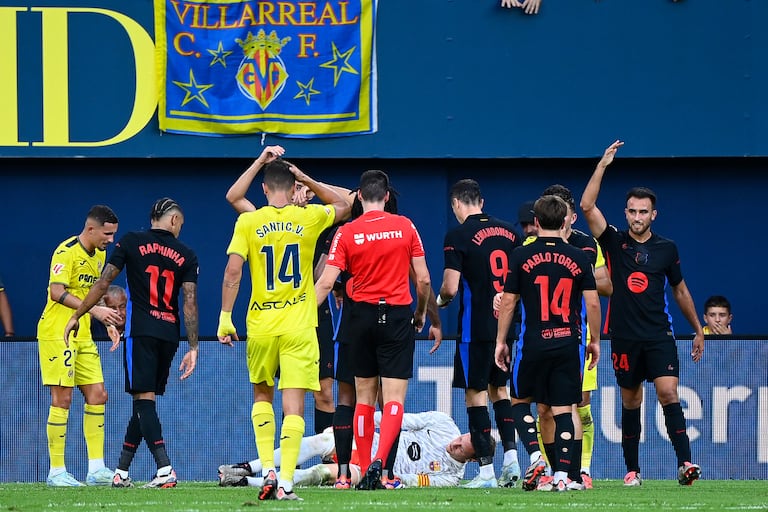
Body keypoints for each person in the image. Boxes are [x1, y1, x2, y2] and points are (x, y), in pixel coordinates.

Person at [217, 158, 350, 501]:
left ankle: (268, 471)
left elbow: (233, 272)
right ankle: (287, 483)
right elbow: (345, 204)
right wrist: (307, 177)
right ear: (293, 190)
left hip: (261, 324)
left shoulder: (249, 221)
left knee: (262, 397)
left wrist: (224, 316)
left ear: (263, 189)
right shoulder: (308, 218)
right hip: (299, 326)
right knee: (294, 407)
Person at [579, 140, 704, 487]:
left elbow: (680, 290)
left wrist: (697, 328)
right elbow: (587, 205)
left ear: (654, 215)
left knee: (668, 394)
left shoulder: (667, 249)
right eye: (632, 211)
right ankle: (632, 470)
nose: (637, 217)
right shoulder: (615, 243)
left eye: (643, 212)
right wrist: (603, 165)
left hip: (658, 335)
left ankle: (685, 464)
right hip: (623, 336)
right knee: (631, 402)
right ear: (626, 214)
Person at [64, 198, 200, 489]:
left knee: (143, 401)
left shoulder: (131, 242)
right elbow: (189, 302)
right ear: (174, 221)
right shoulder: (187, 254)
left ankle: (164, 468)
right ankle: (122, 472)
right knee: (144, 401)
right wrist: (193, 347)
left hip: (140, 331)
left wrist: (79, 313)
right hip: (169, 333)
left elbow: (103, 283)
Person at [314, 169, 432, 491]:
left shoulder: (347, 232)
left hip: (359, 319)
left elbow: (326, 282)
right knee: (393, 399)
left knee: (363, 399)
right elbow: (422, 280)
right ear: (388, 197)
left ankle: (363, 466)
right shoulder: (405, 226)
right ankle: (382, 468)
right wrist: (420, 313)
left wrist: (301, 316)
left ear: (360, 197)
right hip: (395, 316)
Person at [494, 195, 601, 492]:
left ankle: (537, 454)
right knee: (564, 410)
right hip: (569, 343)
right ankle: (564, 476)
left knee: (519, 401)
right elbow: (593, 304)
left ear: (537, 222)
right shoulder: (581, 257)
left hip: (533, 343)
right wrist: (596, 341)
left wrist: (501, 341)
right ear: (565, 221)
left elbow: (509, 302)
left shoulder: (521, 256)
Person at [436, 179, 522, 488]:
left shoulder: (457, 235)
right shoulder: (512, 233)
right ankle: (511, 460)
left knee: (476, 396)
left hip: (475, 328)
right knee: (501, 392)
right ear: (481, 202)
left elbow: (450, 287)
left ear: (457, 204)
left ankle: (486, 471)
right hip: (507, 326)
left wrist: (438, 303)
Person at [36, 205, 121, 486]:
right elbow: (56, 291)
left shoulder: (99, 254)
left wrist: (105, 321)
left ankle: (96, 469)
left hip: (82, 333)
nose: (110, 240)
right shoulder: (66, 251)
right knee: (63, 398)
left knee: (98, 394)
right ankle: (56, 471)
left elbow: (92, 294)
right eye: (106, 234)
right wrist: (96, 312)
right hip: (57, 332)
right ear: (91, 229)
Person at [537, 183, 613, 489]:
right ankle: (549, 469)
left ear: (572, 216)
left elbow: (606, 287)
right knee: (544, 407)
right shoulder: (532, 242)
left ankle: (580, 469)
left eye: (564, 213)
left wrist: (577, 273)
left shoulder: (586, 245)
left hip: (577, 337)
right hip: (540, 336)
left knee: (578, 405)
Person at [218, 411, 484, 488]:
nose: (456, 443)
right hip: (367, 443)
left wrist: (383, 478)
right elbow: (400, 419)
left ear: (469, 460)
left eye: (462, 448)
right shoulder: (444, 423)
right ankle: (248, 466)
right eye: (463, 437)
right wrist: (363, 421)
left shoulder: (451, 477)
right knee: (322, 441)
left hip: (370, 471)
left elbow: (412, 481)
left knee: (320, 473)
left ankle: (245, 482)